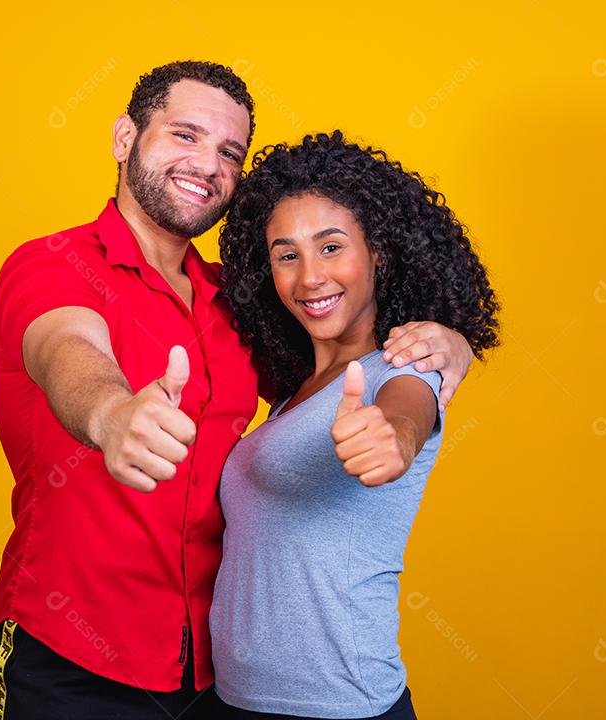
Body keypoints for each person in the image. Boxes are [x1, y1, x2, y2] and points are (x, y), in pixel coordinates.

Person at [0, 61, 476, 720]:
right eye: (185, 135)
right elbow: (65, 349)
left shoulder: (238, 308)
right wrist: (109, 412)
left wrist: (450, 342)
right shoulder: (53, 265)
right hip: (73, 658)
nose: (207, 163)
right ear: (126, 138)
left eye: (228, 151)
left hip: (210, 680)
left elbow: (350, 379)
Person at [210, 131, 500, 719]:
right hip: (238, 701)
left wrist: (395, 438)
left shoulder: (402, 365)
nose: (309, 276)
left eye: (331, 247)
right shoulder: (292, 393)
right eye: (287, 254)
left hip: (338, 706)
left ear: (380, 254)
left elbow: (406, 413)